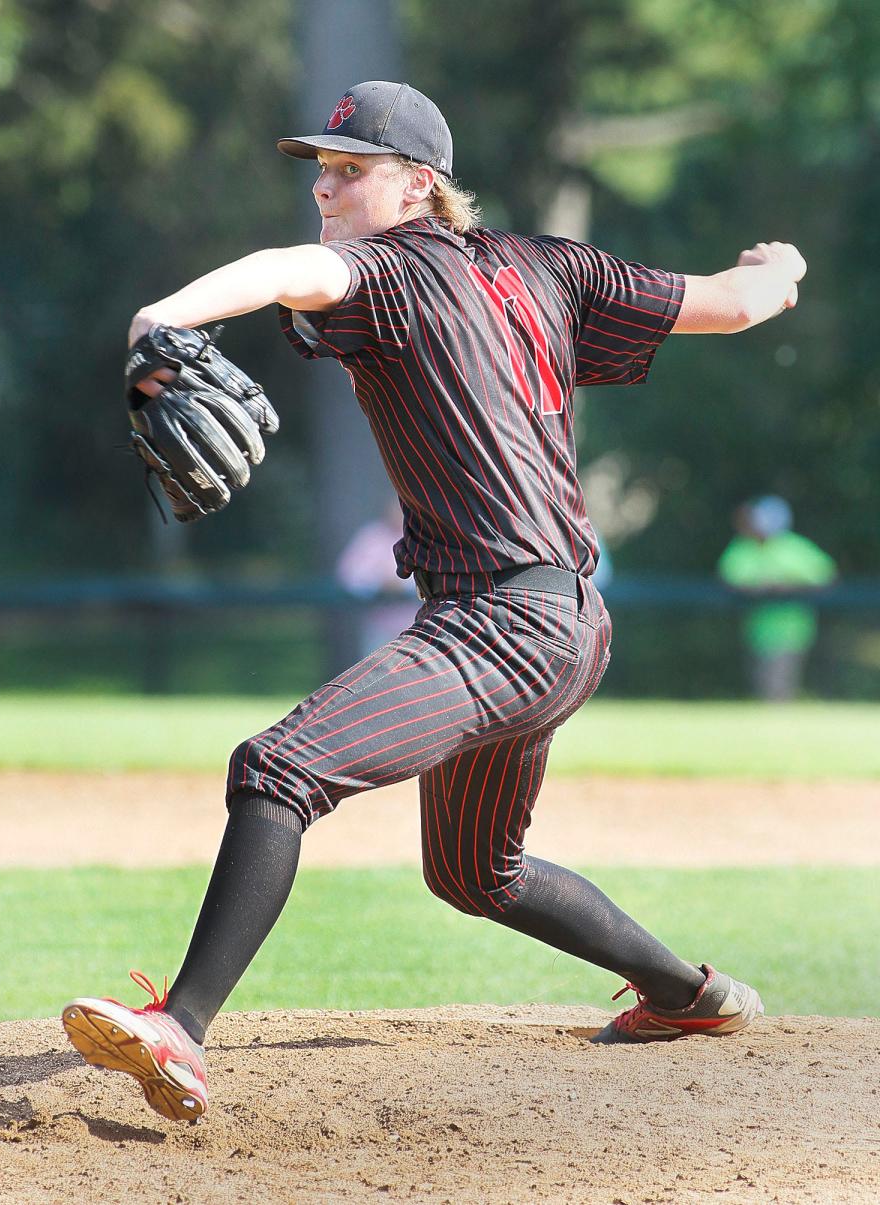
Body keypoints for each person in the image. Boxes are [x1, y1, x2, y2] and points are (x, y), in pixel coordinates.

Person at [63, 80, 806, 1122]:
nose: (324, 186)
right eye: (320, 167)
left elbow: (293, 270)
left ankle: (177, 1031)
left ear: (418, 185)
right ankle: (693, 995)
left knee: (279, 767)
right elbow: (732, 305)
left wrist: (161, 319)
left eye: (349, 168)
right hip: (568, 623)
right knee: (474, 870)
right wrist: (779, 269)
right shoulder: (555, 267)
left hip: (505, 624)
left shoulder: (389, 269)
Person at [718, 495, 836, 701]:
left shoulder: (794, 548)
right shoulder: (743, 547)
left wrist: (789, 588)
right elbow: (728, 580)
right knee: (760, 685)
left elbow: (826, 578)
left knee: (777, 687)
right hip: (756, 631)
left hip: (791, 632)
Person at [336, 497, 420, 656]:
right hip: (379, 629)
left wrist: (402, 585)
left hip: (418, 627)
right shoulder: (371, 536)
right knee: (377, 675)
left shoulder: (421, 535)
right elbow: (349, 576)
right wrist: (378, 585)